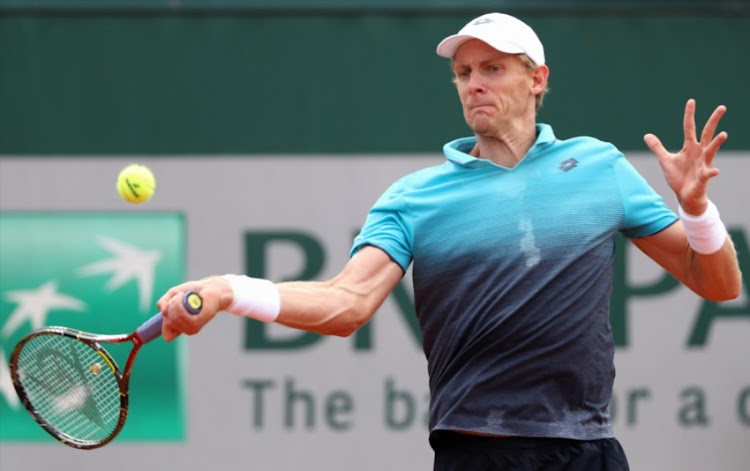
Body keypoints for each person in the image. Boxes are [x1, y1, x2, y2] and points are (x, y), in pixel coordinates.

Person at [157, 12, 742, 471]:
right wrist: (231, 289)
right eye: (464, 74)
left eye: (492, 69)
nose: (474, 85)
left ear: (537, 80)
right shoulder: (412, 198)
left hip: (585, 448)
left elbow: (718, 284)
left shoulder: (599, 167)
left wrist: (696, 211)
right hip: (476, 450)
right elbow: (346, 305)